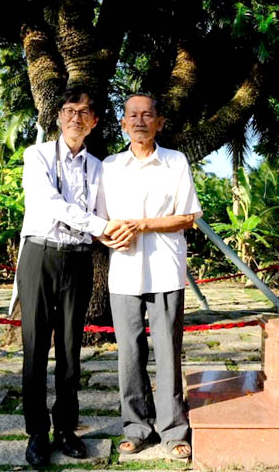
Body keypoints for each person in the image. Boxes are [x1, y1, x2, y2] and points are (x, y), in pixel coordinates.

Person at [17, 87, 132, 466]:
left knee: (70, 349)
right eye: (69, 110)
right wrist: (102, 224)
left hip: (80, 259)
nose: (75, 118)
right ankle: (36, 432)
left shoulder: (100, 167)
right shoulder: (36, 156)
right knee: (34, 347)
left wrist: (124, 230)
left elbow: (108, 214)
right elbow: (48, 204)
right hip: (40, 254)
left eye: (84, 112)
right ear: (58, 117)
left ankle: (67, 428)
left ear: (94, 122)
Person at [96, 93, 201, 460]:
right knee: (129, 353)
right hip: (124, 272)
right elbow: (99, 221)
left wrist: (141, 225)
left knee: (169, 353)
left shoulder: (175, 162)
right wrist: (110, 233)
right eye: (132, 115)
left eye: (147, 115)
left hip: (165, 271)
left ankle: (174, 430)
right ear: (123, 123)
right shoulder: (109, 166)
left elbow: (187, 217)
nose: (140, 121)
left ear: (159, 122)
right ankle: (136, 427)